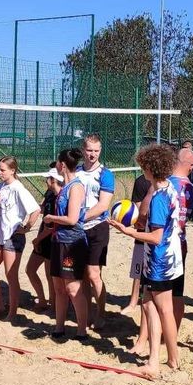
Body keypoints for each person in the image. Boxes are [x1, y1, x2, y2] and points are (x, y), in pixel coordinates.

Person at [110, 143, 183, 377]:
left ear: (151, 167)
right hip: (167, 257)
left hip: (160, 260)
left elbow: (156, 236)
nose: (142, 169)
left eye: (144, 166)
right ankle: (168, 359)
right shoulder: (168, 187)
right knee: (150, 305)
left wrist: (129, 231)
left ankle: (163, 361)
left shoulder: (161, 197)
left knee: (162, 309)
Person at [0, 156, 41, 320]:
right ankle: (0, 305)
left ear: (12, 170)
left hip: (12, 237)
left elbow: (35, 209)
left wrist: (27, 228)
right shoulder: (0, 187)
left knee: (11, 276)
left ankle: (12, 311)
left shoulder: (18, 188)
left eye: (2, 170)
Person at [44, 148, 89, 340]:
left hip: (72, 243)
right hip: (59, 241)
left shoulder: (76, 187)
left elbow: (72, 219)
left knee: (73, 288)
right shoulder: (64, 187)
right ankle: (59, 327)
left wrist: (51, 218)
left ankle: (82, 330)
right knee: (59, 288)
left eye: (57, 163)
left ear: (62, 165)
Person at [76, 134, 116, 328]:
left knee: (94, 273)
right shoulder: (76, 172)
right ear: (83, 150)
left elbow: (102, 205)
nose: (92, 154)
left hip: (97, 227)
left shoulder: (105, 174)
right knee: (82, 274)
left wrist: (79, 217)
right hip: (78, 229)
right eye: (89, 150)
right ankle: (86, 312)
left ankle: (101, 313)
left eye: (96, 151)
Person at [166, 148, 193, 333]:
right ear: (191, 166)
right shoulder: (190, 188)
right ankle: (172, 333)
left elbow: (146, 212)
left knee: (156, 294)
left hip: (163, 243)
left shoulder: (166, 184)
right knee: (177, 292)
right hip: (180, 242)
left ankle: (155, 334)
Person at [25, 164, 61, 313]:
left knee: (50, 275)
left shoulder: (59, 197)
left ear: (53, 179)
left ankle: (53, 304)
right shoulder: (49, 193)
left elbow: (52, 226)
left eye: (48, 178)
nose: (46, 180)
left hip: (49, 238)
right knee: (31, 269)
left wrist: (37, 239)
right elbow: (43, 210)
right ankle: (43, 300)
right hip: (43, 236)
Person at [122, 173, 154, 315]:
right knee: (138, 269)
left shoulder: (167, 179)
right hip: (143, 230)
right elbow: (140, 211)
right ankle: (133, 301)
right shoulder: (141, 181)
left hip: (159, 232)